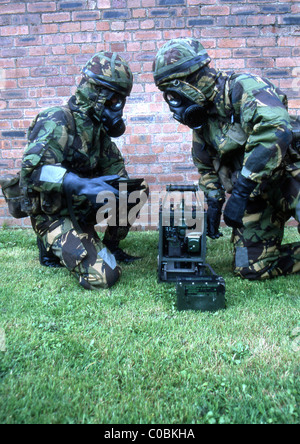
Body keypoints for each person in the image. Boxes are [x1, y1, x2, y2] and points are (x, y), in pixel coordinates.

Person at [153, 37, 300, 280]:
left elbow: (275, 130)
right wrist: (214, 201)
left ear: (189, 82)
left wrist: (240, 193)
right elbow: (205, 165)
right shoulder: (202, 119)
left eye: (172, 95)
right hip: (258, 196)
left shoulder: (244, 87)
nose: (172, 105)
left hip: (290, 176)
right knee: (250, 268)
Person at [20, 52, 149, 290]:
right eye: (114, 101)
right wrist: (79, 184)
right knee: (103, 277)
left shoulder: (97, 132)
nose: (117, 108)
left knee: (135, 191)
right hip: (54, 215)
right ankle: (49, 244)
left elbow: (118, 173)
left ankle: (111, 247)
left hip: (81, 208)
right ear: (97, 94)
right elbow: (32, 171)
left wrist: (121, 190)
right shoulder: (57, 120)